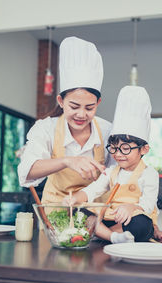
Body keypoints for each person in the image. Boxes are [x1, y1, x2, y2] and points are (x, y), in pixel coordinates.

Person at [63, 86, 162, 243]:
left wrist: (131, 208)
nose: (118, 154)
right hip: (111, 219)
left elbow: (148, 205)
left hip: (130, 220)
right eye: (114, 148)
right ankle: (112, 237)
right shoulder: (112, 171)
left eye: (126, 148)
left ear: (144, 149)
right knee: (78, 212)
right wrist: (75, 198)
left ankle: (101, 233)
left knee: (142, 224)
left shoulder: (149, 174)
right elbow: (93, 190)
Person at [18, 36, 112, 205]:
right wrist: (67, 161)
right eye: (74, 106)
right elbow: (27, 171)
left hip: (96, 213)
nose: (81, 114)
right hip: (56, 210)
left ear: (98, 103)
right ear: (61, 101)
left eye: (89, 108)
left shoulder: (107, 131)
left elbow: (117, 174)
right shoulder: (46, 128)